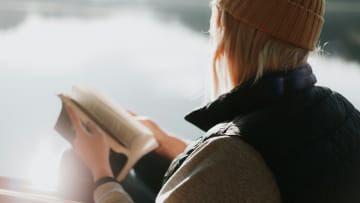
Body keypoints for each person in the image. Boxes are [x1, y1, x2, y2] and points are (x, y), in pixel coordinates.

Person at [65, 0, 360, 202]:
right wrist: (169, 143)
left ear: (227, 30)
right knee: (147, 161)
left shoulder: (232, 157)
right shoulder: (343, 113)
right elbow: (278, 169)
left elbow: (240, 170)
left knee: (77, 164)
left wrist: (101, 174)